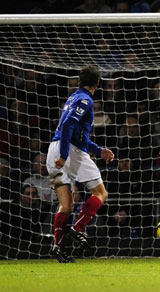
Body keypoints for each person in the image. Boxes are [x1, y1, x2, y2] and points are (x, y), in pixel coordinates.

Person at [46, 65, 114, 263]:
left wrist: (98, 150)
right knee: (100, 193)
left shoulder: (72, 98)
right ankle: (78, 228)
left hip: (53, 148)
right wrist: (65, 155)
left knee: (66, 205)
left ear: (79, 80)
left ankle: (58, 247)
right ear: (98, 83)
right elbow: (68, 125)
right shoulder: (86, 100)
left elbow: (74, 130)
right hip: (70, 151)